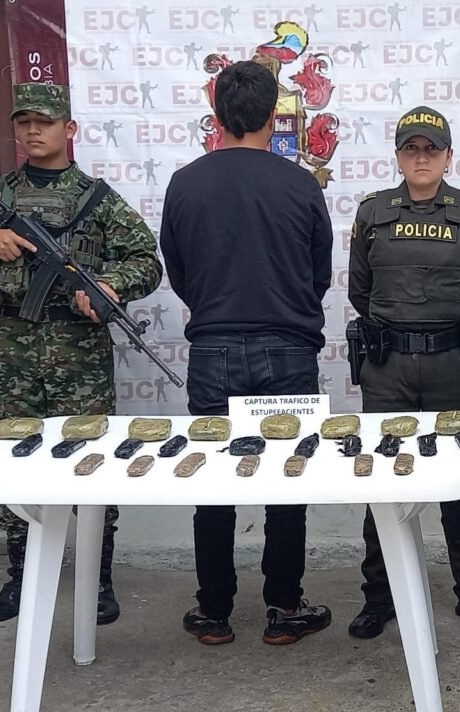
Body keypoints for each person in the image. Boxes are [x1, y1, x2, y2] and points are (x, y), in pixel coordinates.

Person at [0, 83, 163, 624]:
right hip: (10, 350)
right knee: (11, 458)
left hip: (79, 352)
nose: (33, 130)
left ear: (69, 129)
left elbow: (146, 261)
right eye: (24, 122)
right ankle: (20, 575)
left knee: (93, 461)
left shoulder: (97, 199)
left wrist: (110, 285)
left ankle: (96, 578)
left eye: (44, 121)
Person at [159, 60, 334, 646]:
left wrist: (216, 308)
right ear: (271, 116)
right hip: (288, 348)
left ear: (217, 114)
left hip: (213, 347)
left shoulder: (185, 183)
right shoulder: (301, 184)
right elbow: (318, 274)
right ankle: (284, 606)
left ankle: (214, 611)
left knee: (213, 482)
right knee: (287, 480)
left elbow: (180, 272)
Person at [347, 106, 460, 639]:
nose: (421, 158)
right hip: (388, 366)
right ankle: (379, 598)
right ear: (398, 156)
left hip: (450, 366)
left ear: (448, 156)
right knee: (382, 483)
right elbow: (360, 289)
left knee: (459, 486)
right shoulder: (373, 212)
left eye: (431, 150)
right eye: (411, 149)